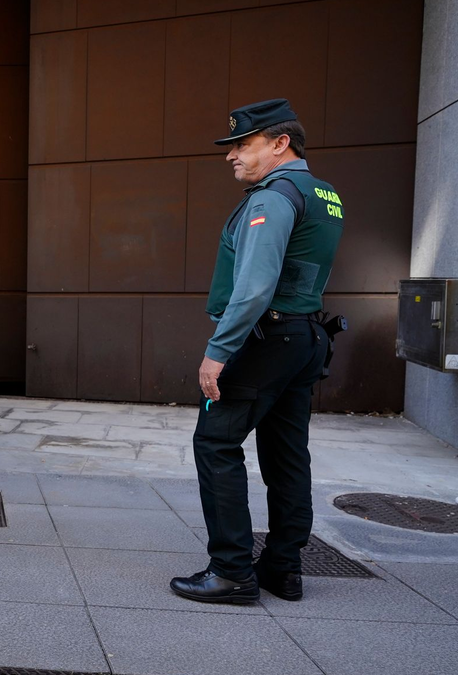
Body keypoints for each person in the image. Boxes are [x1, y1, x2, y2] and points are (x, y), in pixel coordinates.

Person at [170, 99, 344, 604]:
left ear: (280, 143)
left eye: (243, 144)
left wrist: (218, 350)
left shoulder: (272, 198)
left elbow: (254, 288)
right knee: (287, 455)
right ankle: (283, 569)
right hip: (305, 337)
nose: (232, 156)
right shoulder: (324, 194)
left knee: (215, 442)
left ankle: (231, 572)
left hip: (266, 339)